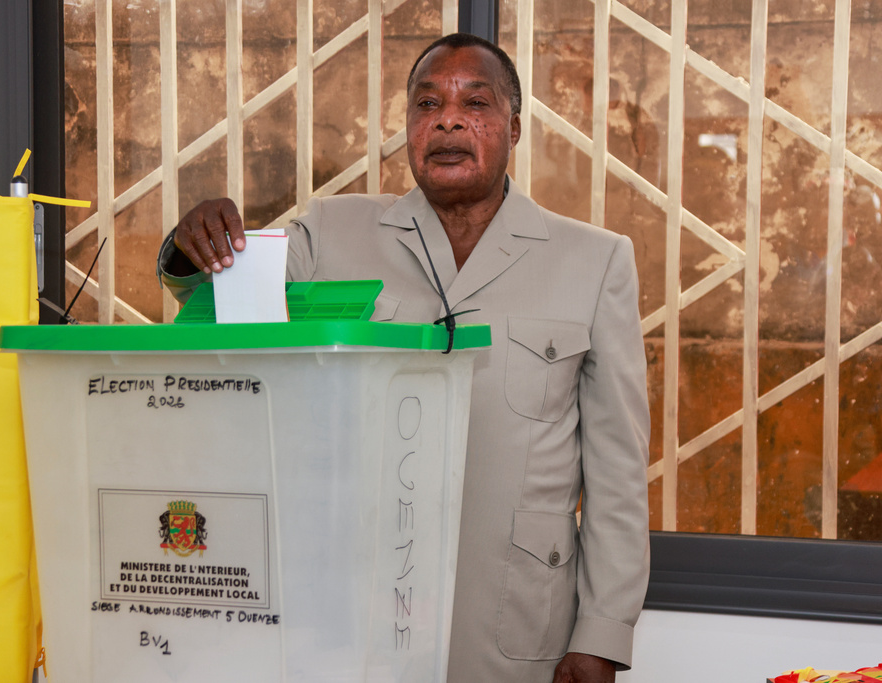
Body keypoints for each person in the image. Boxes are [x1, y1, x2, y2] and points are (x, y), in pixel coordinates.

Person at [158, 33, 650, 683]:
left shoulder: (594, 260)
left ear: (514, 126)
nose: (447, 118)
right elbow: (221, 310)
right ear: (408, 129)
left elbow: (618, 472)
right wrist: (193, 251)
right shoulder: (332, 233)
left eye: (474, 101)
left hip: (518, 619)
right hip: (352, 623)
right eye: (426, 103)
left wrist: (602, 635)